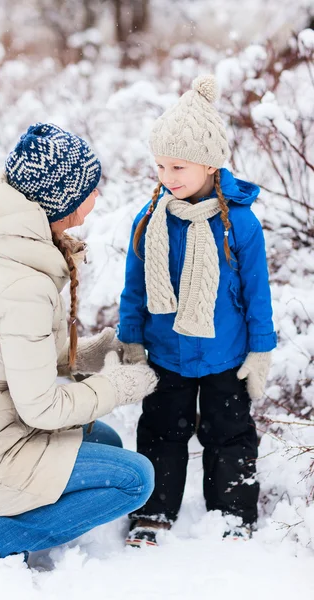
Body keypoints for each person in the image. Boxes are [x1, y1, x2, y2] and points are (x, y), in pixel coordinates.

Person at [0, 123, 158, 561]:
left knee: (104, 442)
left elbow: (11, 356)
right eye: (90, 188)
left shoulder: (1, 243)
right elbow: (42, 409)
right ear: (62, 204)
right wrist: (117, 388)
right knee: (134, 479)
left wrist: (91, 353)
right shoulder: (23, 284)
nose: (97, 195)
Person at [117, 75, 277, 546]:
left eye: (179, 166)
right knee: (161, 433)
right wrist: (130, 337)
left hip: (225, 354)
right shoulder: (151, 221)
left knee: (229, 435)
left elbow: (257, 293)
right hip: (167, 353)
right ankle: (152, 512)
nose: (169, 176)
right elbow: (135, 287)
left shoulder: (240, 224)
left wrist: (260, 350)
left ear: (210, 163)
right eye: (162, 165)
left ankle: (233, 514)